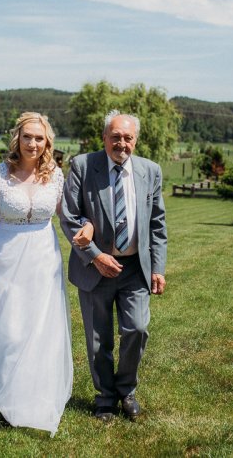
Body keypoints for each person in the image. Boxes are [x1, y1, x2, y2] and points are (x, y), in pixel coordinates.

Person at [0, 112, 92, 436]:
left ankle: (30, 390)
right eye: (27, 136)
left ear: (47, 142)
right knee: (8, 327)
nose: (32, 143)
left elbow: (66, 216)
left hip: (43, 257)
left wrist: (87, 227)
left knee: (38, 325)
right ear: (17, 138)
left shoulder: (55, 175)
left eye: (39, 138)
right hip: (5, 255)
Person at [60, 110, 168, 421]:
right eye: (115, 137)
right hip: (95, 267)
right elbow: (69, 216)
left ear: (136, 140)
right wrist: (94, 255)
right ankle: (105, 398)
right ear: (105, 138)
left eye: (128, 138)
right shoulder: (83, 166)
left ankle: (126, 390)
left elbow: (157, 224)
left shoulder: (151, 171)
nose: (121, 143)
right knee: (98, 337)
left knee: (137, 328)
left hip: (135, 268)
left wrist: (157, 267)